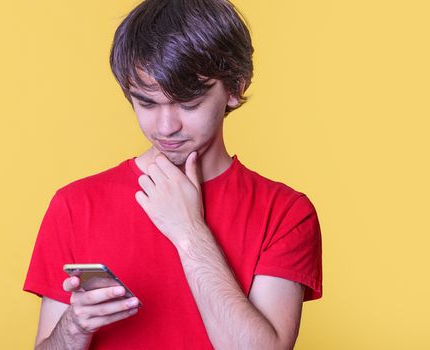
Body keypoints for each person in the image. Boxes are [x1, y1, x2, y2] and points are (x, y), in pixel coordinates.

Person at [23, 0, 323, 349]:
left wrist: (188, 231)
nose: (166, 127)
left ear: (235, 89)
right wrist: (73, 327)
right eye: (147, 103)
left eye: (188, 104)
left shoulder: (285, 213)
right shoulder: (75, 205)